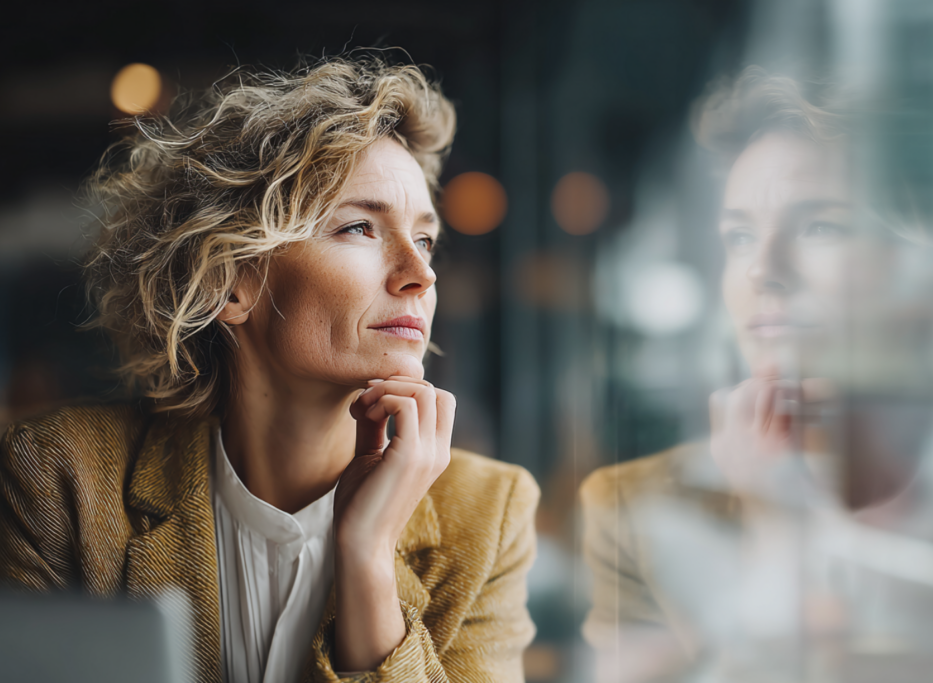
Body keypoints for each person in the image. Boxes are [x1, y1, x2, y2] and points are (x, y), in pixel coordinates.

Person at [0, 56, 538, 683]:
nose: (421, 274)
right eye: (359, 227)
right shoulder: (60, 479)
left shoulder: (490, 514)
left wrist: (368, 557)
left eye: (424, 239)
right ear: (227, 283)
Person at [581, 67, 933, 682]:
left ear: (921, 262)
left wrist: (787, 536)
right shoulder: (642, 508)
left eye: (821, 227)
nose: (763, 269)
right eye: (739, 236)